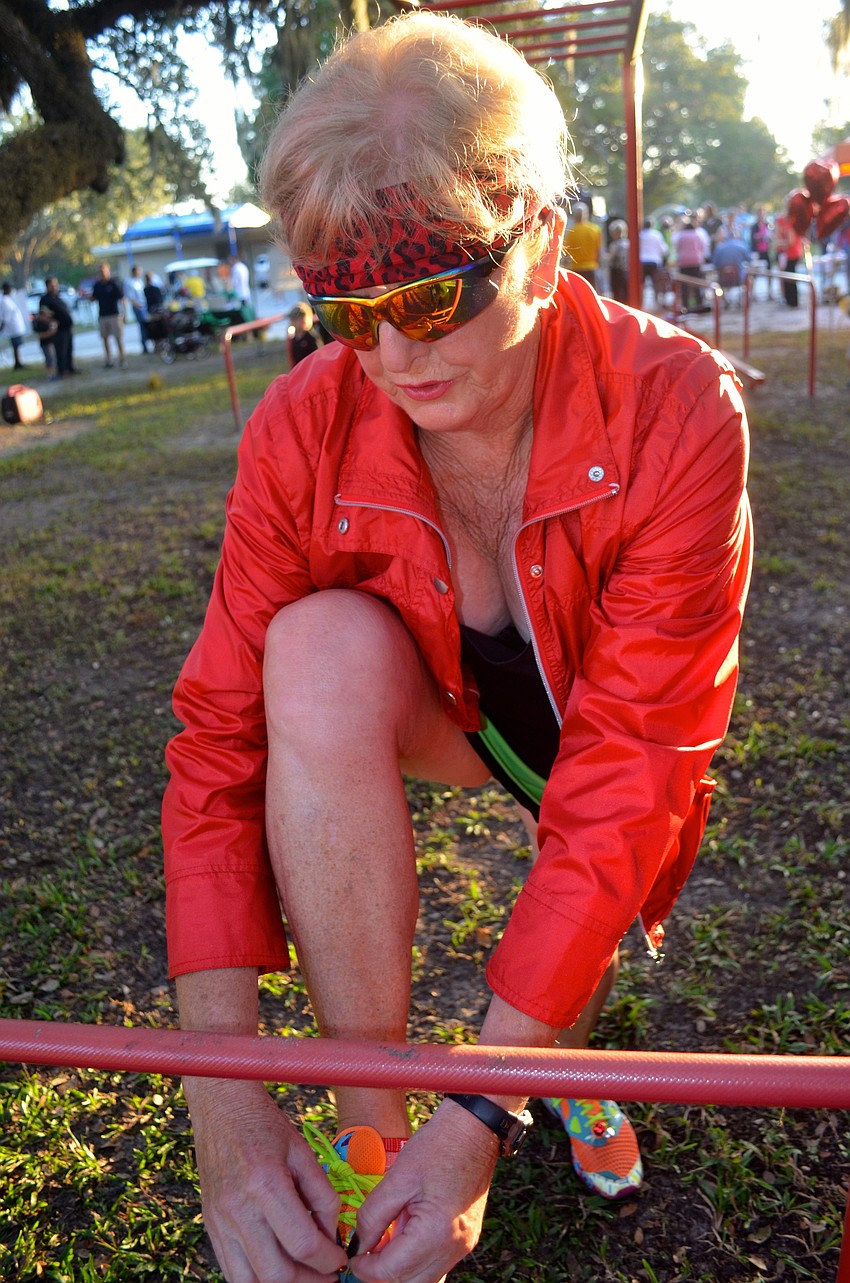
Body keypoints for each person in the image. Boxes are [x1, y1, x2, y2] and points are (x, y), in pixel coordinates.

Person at [162, 14, 752, 1283]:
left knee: (576, 884)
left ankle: (556, 1075)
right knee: (310, 647)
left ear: (538, 231)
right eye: (343, 312)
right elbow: (217, 739)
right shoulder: (304, 422)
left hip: (600, 730)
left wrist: (482, 1108)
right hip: (445, 703)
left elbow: (623, 781)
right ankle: (377, 1132)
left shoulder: (679, 409)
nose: (391, 356)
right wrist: (224, 1098)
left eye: (429, 295)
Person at [91, 262, 127, 368]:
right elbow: (94, 298)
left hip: (114, 314)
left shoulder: (114, 283)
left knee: (118, 338)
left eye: (104, 270)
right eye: (100, 271)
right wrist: (88, 297)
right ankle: (109, 359)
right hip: (103, 315)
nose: (102, 273)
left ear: (108, 271)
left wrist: (124, 313)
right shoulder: (97, 285)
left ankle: (122, 359)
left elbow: (122, 298)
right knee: (105, 338)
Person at [39, 278, 76, 376]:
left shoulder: (58, 297)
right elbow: (43, 316)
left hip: (67, 327)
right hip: (59, 329)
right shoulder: (45, 300)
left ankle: (70, 367)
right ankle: (62, 370)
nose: (55, 287)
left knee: (69, 349)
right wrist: (53, 322)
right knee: (61, 350)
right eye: (52, 285)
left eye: (56, 285)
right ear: (47, 286)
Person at [672, 218, 708, 312]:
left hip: (684, 262)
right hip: (696, 261)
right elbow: (702, 247)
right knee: (697, 283)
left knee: (684, 284)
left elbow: (677, 247)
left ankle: (685, 305)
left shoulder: (681, 235)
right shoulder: (697, 235)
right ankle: (699, 303)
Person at [563, 203, 602, 288]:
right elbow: (599, 250)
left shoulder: (570, 232)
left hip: (576, 270)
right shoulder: (595, 230)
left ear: (574, 216)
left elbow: (566, 254)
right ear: (586, 214)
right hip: (591, 267)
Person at [638, 217, 668, 306]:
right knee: (656, 283)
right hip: (654, 261)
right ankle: (657, 302)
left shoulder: (640, 235)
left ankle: (640, 302)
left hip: (642, 261)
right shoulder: (657, 235)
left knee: (642, 284)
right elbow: (664, 249)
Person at [124, 265, 152, 354]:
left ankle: (150, 343)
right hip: (139, 307)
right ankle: (144, 346)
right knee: (143, 326)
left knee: (147, 325)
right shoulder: (129, 282)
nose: (140, 273)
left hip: (145, 306)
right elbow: (130, 296)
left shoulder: (139, 281)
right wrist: (137, 305)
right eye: (138, 271)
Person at [0, 282, 28, 369]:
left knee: (17, 345)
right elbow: (6, 317)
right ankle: (18, 363)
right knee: (15, 345)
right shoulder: (4, 301)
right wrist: (1, 328)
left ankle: (18, 362)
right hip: (12, 327)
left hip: (15, 327)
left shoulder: (8, 299)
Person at [286, 301, 320, 365]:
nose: (292, 322)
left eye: (295, 319)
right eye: (292, 319)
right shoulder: (293, 339)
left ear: (303, 319)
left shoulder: (311, 338)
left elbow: (317, 358)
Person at [605, 220, 629, 304]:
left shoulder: (614, 245)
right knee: (626, 293)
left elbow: (610, 258)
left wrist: (605, 257)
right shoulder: (628, 243)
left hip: (616, 271)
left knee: (617, 294)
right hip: (627, 271)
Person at [32, 305, 59, 378]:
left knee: (53, 358)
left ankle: (54, 373)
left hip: (51, 342)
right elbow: (40, 335)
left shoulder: (49, 322)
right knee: (49, 359)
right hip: (45, 344)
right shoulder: (38, 324)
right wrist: (50, 332)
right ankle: (50, 375)